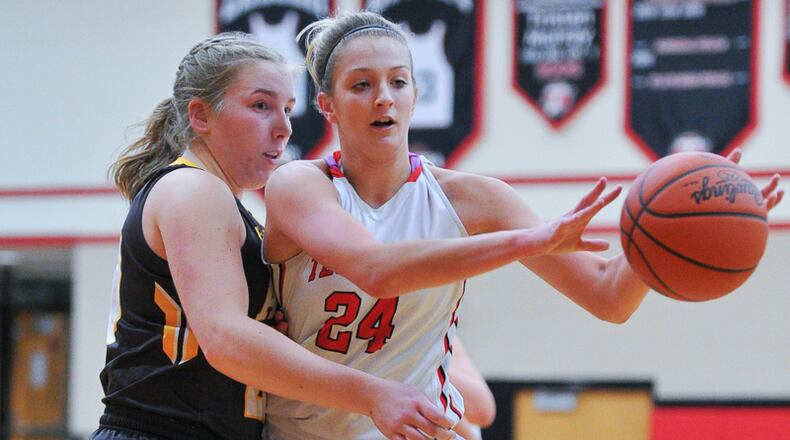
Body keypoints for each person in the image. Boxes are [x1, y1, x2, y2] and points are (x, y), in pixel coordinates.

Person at [261, 11, 785, 440]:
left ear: (416, 94)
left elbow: (607, 295)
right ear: (327, 106)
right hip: (297, 431)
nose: (384, 97)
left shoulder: (474, 198)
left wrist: (674, 235)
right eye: (362, 85)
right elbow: (375, 269)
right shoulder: (299, 187)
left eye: (399, 81)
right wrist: (526, 241)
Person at [92, 32, 462, 440]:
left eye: (287, 109)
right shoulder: (192, 189)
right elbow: (224, 337)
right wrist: (372, 394)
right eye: (261, 106)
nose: (284, 128)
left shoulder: (236, 213)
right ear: (201, 116)